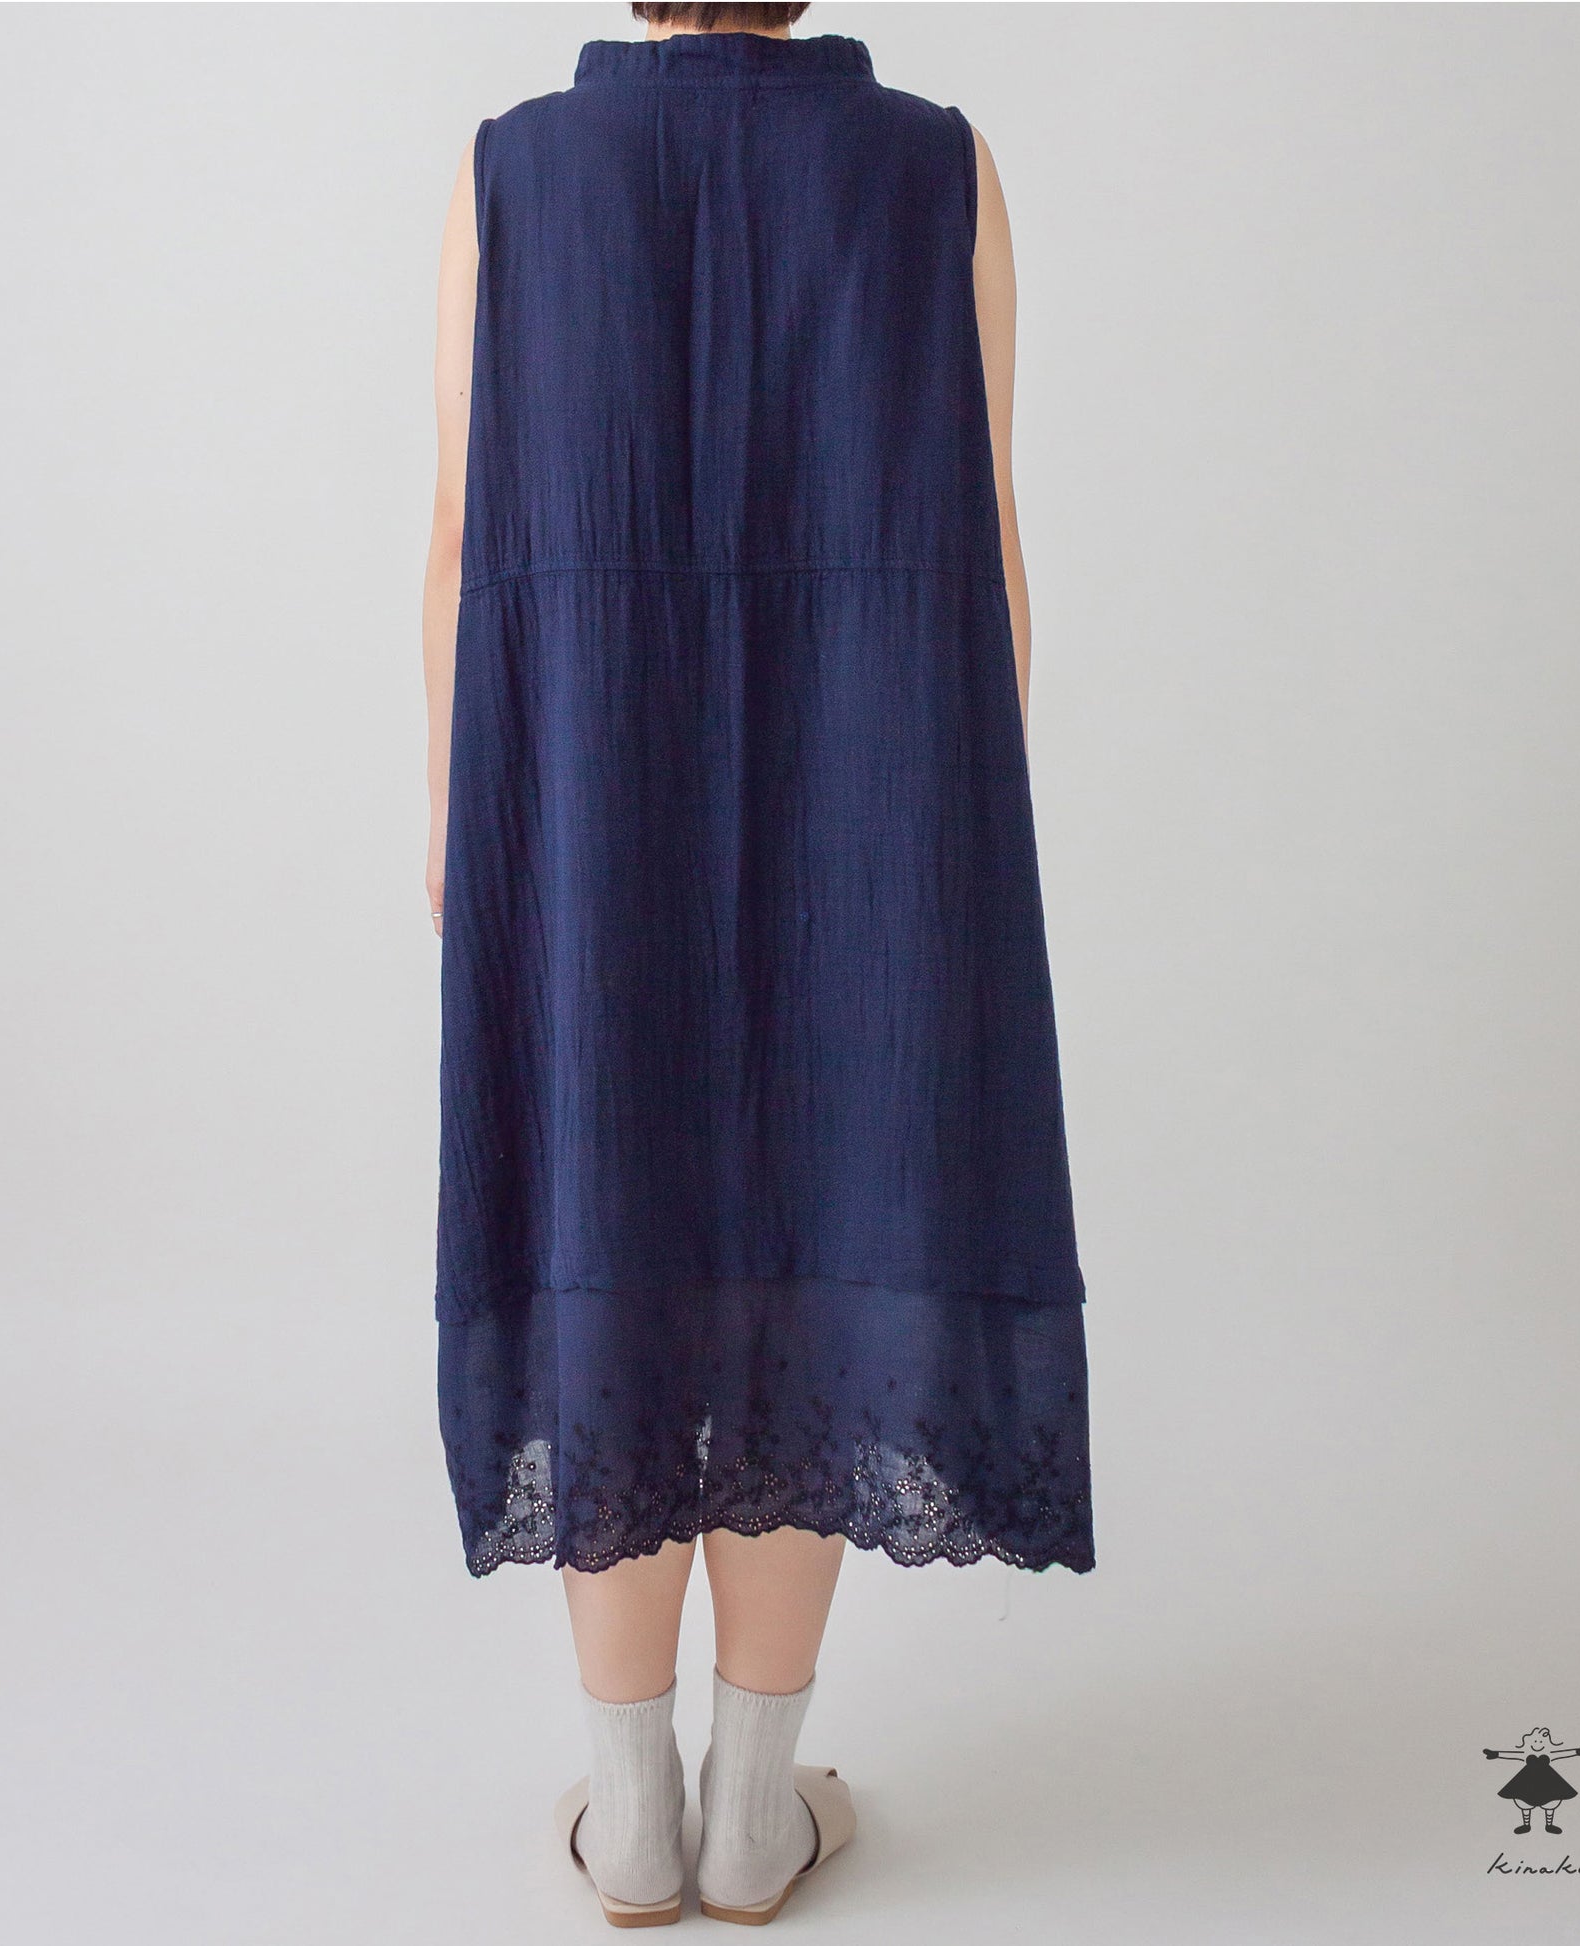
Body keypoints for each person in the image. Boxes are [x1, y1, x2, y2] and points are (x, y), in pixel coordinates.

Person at [420, 2, 1095, 1925]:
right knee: (818, 1243)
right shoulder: (935, 163)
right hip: (875, 799)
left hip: (576, 791)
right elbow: (984, 537)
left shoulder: (510, 170)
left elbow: (461, 538)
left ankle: (632, 1811)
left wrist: (460, 830)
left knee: (606, 1237)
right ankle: (751, 1806)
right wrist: (951, 837)